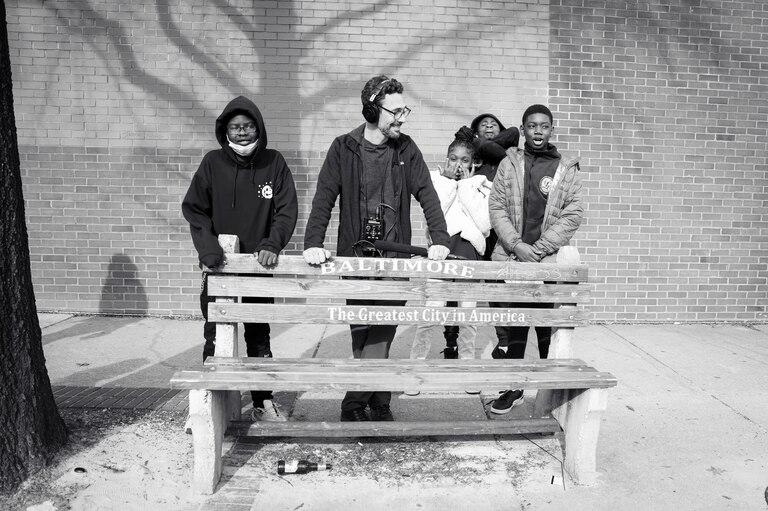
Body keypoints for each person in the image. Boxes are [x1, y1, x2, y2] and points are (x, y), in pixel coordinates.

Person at [303, 75, 451, 422]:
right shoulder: (343, 148)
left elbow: (427, 195)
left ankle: (354, 403)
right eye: (396, 111)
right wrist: (312, 243)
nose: (402, 118)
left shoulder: (406, 149)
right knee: (362, 332)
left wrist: (440, 239)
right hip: (355, 258)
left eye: (405, 110)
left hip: (395, 258)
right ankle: (380, 398)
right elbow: (324, 198)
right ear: (373, 108)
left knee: (382, 329)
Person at [182, 96, 298, 422]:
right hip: (220, 268)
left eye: (247, 126)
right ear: (225, 131)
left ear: (257, 127)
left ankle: (263, 402)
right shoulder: (212, 163)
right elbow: (195, 209)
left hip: (259, 267)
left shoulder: (273, 163)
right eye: (235, 127)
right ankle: (207, 404)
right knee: (215, 336)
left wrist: (272, 243)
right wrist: (208, 249)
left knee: (258, 336)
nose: (242, 133)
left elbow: (286, 210)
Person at [487, 104, 583, 414]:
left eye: (544, 126)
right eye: (531, 126)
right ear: (524, 129)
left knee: (545, 326)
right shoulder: (509, 163)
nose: (538, 131)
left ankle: (549, 392)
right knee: (516, 325)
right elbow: (497, 207)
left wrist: (538, 249)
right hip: (514, 257)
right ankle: (513, 388)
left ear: (551, 129)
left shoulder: (565, 169)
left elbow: (573, 214)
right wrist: (517, 245)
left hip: (545, 260)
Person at [439, 114, 519, 359]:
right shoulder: (469, 159)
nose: (488, 126)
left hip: (497, 231)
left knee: (497, 289)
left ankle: (504, 342)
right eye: (482, 124)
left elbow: (514, 131)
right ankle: (451, 341)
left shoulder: (507, 153)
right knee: (455, 291)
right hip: (468, 234)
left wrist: (474, 137)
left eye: (493, 123)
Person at [408, 135, 491, 369]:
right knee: (430, 314)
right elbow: (434, 214)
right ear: (446, 160)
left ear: (473, 164)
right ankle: (416, 366)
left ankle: (466, 367)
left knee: (468, 318)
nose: (458, 165)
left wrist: (465, 186)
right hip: (440, 254)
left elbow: (484, 224)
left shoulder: (483, 187)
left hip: (469, 255)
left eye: (464, 160)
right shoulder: (434, 182)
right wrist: (447, 182)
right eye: (453, 159)